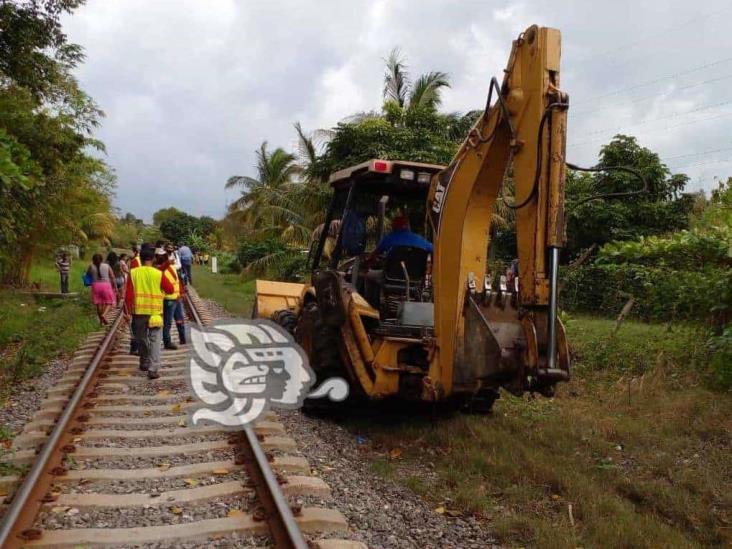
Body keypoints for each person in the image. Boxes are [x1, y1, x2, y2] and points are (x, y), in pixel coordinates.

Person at [124, 247, 174, 379]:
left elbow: (128, 295)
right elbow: (170, 289)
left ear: (140, 259)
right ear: (153, 259)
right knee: (156, 341)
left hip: (139, 313)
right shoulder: (158, 274)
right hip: (156, 313)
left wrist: (127, 312)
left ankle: (144, 359)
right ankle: (153, 369)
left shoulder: (133, 273)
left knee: (141, 339)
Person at [156, 248, 186, 350]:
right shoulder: (159, 269)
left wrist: (181, 292)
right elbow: (161, 269)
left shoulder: (171, 267)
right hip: (168, 299)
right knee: (167, 322)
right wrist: (168, 263)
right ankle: (167, 342)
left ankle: (183, 338)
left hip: (176, 298)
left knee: (180, 319)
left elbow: (177, 280)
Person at [87, 253, 116, 325]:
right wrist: (115, 286)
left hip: (96, 286)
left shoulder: (91, 266)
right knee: (109, 302)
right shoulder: (107, 266)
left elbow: (88, 275)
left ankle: (101, 321)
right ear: (102, 259)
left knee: (98, 303)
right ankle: (104, 315)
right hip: (106, 285)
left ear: (93, 260)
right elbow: (112, 276)